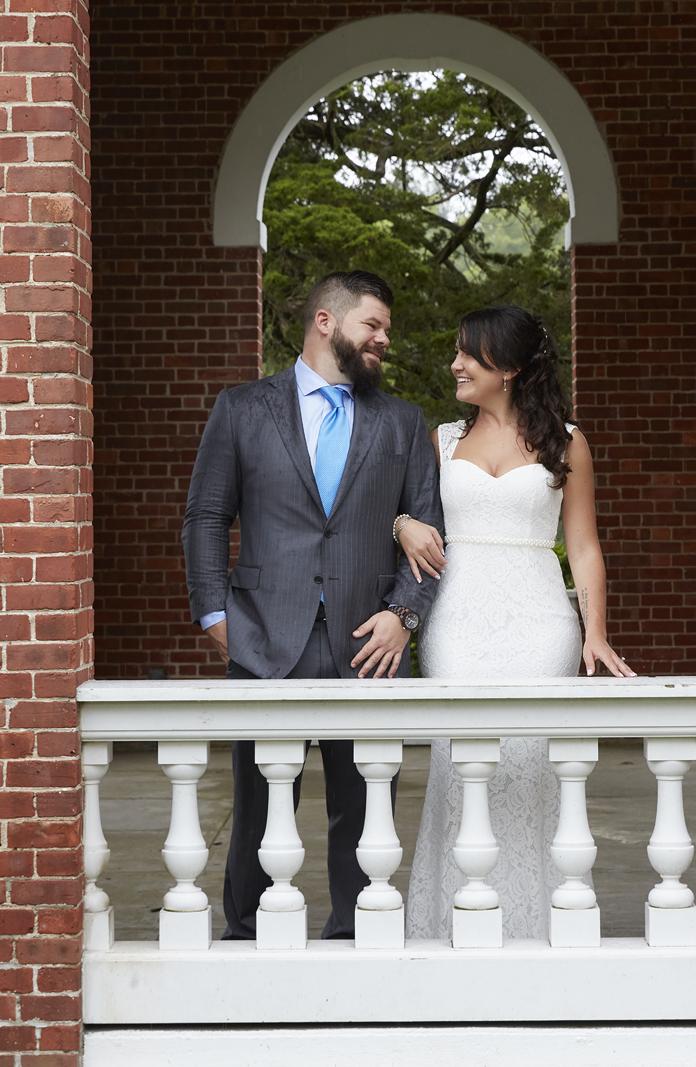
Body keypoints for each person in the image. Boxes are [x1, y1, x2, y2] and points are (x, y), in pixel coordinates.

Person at [182, 270, 443, 940]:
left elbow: (429, 533)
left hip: (369, 643)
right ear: (326, 321)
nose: (384, 339)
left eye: (386, 329)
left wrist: (404, 616)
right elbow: (206, 516)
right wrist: (215, 615)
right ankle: (247, 933)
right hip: (263, 634)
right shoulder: (242, 409)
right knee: (258, 807)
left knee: (365, 810)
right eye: (372, 325)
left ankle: (358, 934)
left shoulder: (402, 422)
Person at [395, 305, 632, 942]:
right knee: (460, 769)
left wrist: (594, 630)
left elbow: (583, 546)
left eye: (468, 353)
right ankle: (455, 929)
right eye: (455, 352)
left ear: (510, 367)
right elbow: (401, 515)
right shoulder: (442, 441)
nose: (455, 364)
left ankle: (538, 930)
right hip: (456, 624)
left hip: (540, 624)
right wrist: (403, 525)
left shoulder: (566, 442)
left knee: (532, 769)